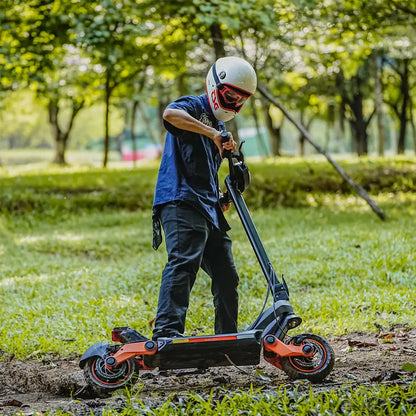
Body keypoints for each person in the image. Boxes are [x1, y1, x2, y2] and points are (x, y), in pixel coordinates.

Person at [151, 56, 257, 340]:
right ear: (215, 86)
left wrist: (225, 197)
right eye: (231, 95)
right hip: (180, 200)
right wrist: (212, 133)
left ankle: (228, 338)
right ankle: (166, 334)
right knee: (184, 262)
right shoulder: (194, 106)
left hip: (208, 208)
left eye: (241, 99)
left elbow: (205, 172)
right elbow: (169, 115)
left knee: (227, 276)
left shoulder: (221, 132)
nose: (235, 104)